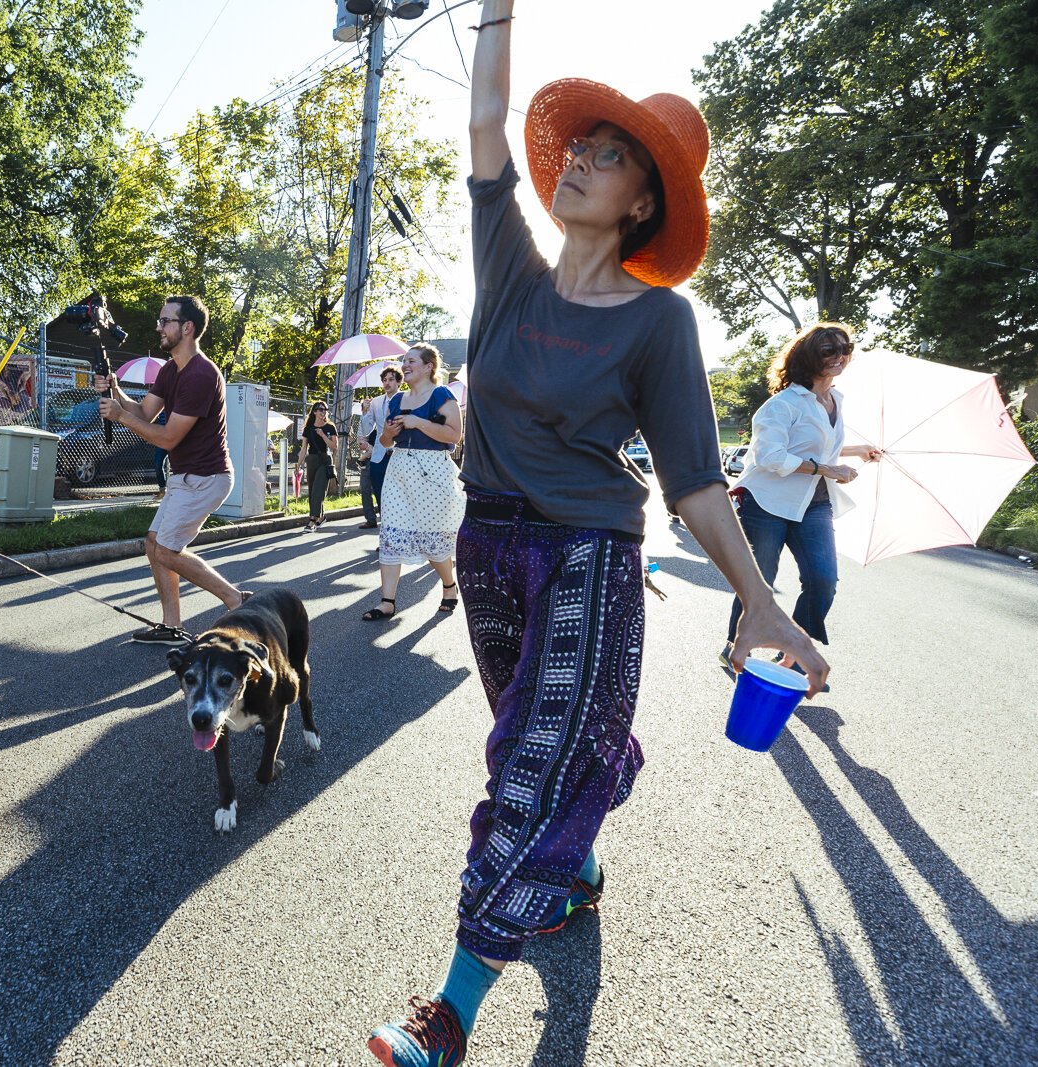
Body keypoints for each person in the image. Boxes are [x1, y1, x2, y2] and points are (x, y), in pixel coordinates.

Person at [365, 6, 828, 1065]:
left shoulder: (659, 321)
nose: (578, 160)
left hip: (587, 557)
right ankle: (581, 835)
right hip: (487, 550)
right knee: (550, 744)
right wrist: (495, 11)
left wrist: (760, 601)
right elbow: (483, 122)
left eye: (608, 156)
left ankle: (449, 1010)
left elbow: (697, 483)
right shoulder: (512, 268)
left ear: (641, 200)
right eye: (580, 145)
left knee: (525, 771)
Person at [721, 323, 882, 681]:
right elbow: (770, 457)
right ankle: (735, 646)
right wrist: (828, 468)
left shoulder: (836, 400)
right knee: (759, 581)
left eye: (846, 348)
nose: (840, 356)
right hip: (767, 503)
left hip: (814, 504)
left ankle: (791, 653)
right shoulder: (781, 405)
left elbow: (820, 446)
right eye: (829, 350)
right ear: (809, 356)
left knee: (823, 580)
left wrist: (858, 451)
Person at [98, 294, 248, 644]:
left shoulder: (201, 374)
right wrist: (117, 392)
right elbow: (145, 414)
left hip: (207, 478)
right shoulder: (170, 370)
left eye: (165, 321)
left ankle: (235, 599)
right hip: (184, 476)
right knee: (153, 544)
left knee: (167, 550)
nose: (158, 327)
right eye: (160, 321)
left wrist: (118, 416)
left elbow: (167, 438)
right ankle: (171, 625)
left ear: (187, 327)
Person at [357, 344, 464, 621]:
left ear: (429, 366)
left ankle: (449, 586)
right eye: (404, 360)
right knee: (391, 534)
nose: (405, 365)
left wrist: (419, 423)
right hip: (399, 470)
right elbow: (384, 441)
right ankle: (387, 601)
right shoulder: (396, 400)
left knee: (431, 539)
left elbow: (454, 435)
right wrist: (389, 434)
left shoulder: (441, 394)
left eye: (411, 361)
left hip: (433, 471)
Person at [356, 365, 404, 529]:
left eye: (391, 379)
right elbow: (368, 429)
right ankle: (386, 537)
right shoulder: (375, 402)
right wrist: (365, 412)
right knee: (381, 496)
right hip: (379, 455)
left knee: (397, 497)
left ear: (398, 382)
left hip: (400, 454)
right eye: (384, 380)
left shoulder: (406, 399)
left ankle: (398, 533)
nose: (387, 383)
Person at [296, 400, 338, 530]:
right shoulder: (308, 429)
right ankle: (321, 516)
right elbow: (304, 448)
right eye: (320, 409)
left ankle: (312, 520)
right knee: (313, 490)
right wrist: (298, 464)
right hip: (312, 460)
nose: (323, 411)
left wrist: (323, 435)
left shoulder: (330, 427)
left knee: (319, 488)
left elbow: (334, 446)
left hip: (325, 460)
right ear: (314, 412)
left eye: (325, 409)